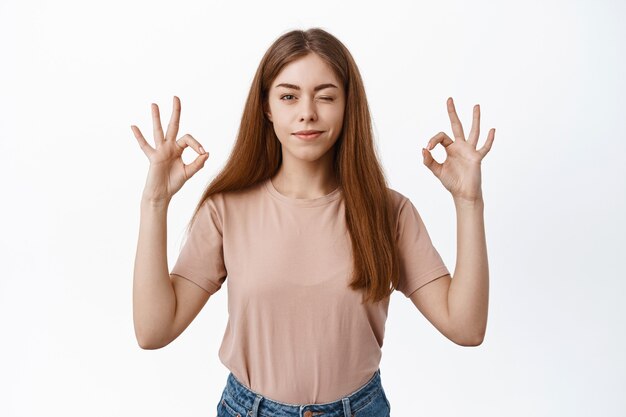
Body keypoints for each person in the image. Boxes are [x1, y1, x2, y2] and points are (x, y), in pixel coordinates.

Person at [131, 27, 494, 417]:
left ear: (347, 105)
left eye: (325, 97)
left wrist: (468, 201)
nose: (307, 112)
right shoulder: (226, 210)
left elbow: (466, 327)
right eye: (289, 96)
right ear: (267, 107)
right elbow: (154, 331)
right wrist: (155, 202)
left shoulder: (388, 213)